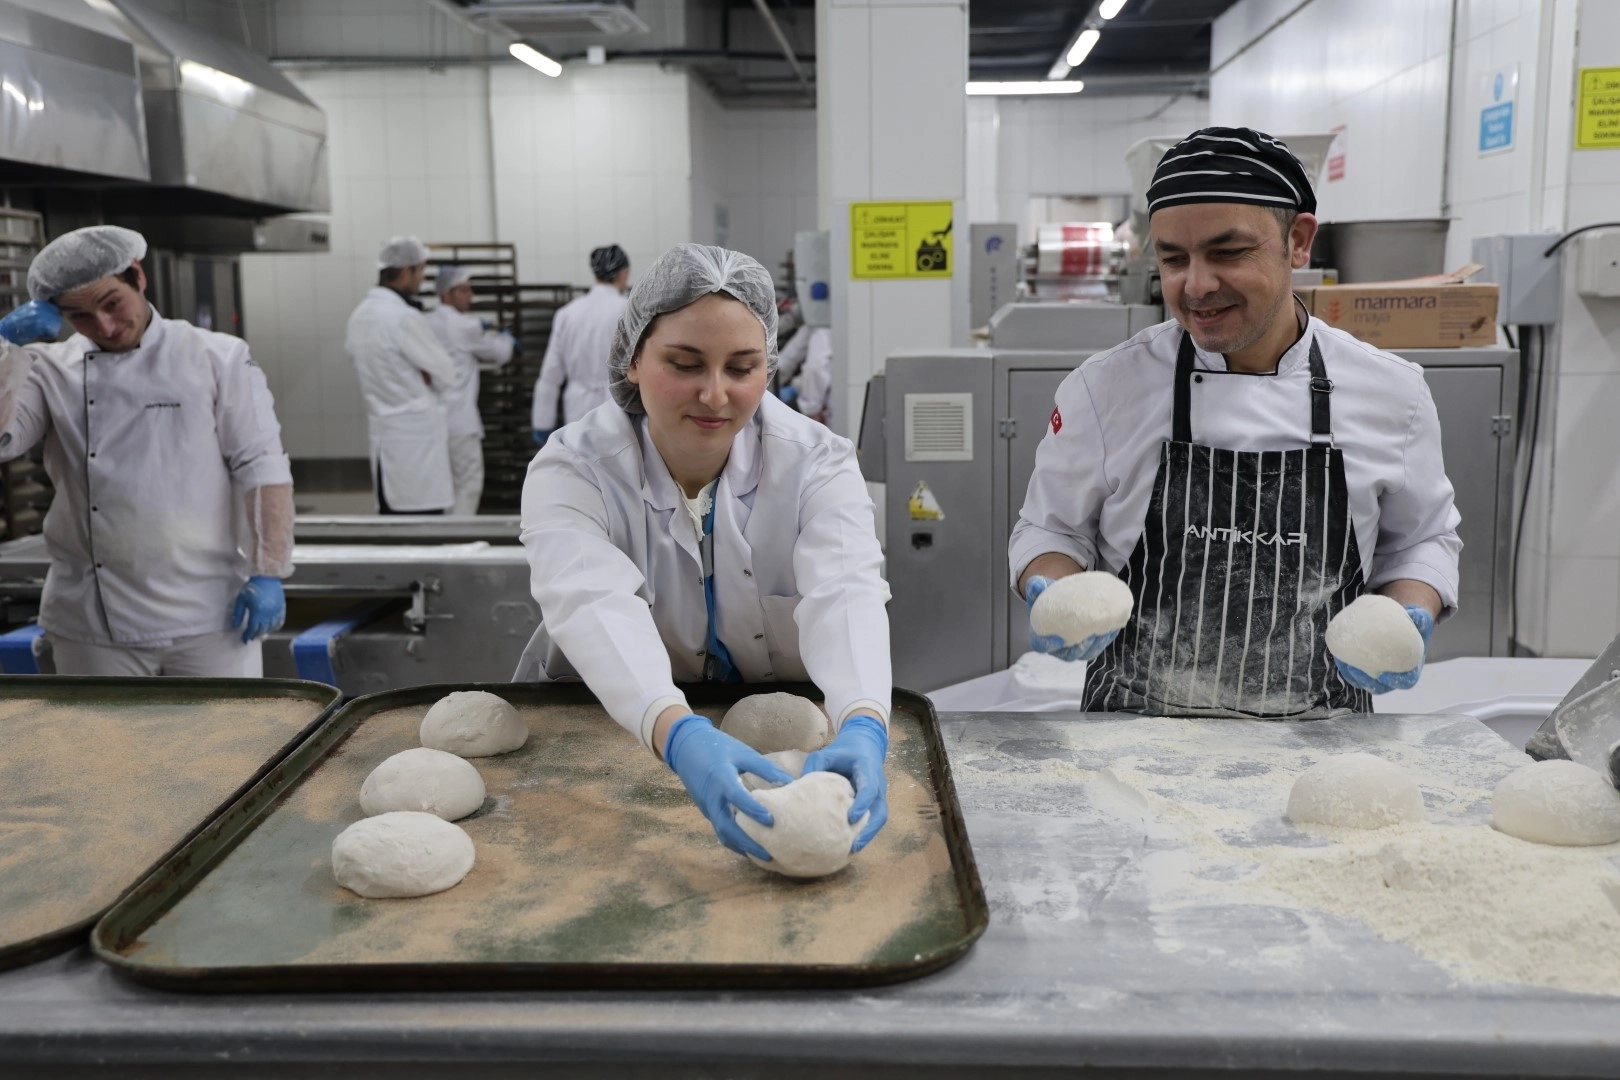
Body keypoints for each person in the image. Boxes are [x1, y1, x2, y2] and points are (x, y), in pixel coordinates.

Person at [1010, 127, 1462, 718]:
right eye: (1174, 259)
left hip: (1324, 738)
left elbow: (1422, 539)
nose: (1196, 285)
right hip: (1133, 738)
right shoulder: (1106, 388)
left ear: (1298, 241)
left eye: (1227, 253)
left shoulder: (1391, 392)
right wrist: (1053, 587)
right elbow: (1050, 530)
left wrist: (1409, 612)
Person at [516, 244, 892, 863]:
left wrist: (863, 721)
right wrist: (678, 733)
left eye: (742, 368)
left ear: (769, 366)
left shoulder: (817, 462)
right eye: (685, 364)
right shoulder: (575, 467)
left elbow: (846, 590)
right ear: (633, 359)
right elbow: (590, 601)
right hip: (603, 725)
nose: (715, 395)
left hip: (777, 736)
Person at [0, 226, 292, 676]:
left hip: (208, 613)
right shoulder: (46, 368)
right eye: (80, 316)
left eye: (112, 303)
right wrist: (4, 349)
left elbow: (261, 466)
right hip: (90, 621)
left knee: (229, 727)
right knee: (102, 728)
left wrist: (268, 570)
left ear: (137, 275)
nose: (105, 326)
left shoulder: (217, 357)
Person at [346, 236, 458, 515]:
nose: (423, 279)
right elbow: (446, 373)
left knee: (393, 524)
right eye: (421, 271)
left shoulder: (359, 316)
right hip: (418, 445)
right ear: (406, 271)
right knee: (423, 525)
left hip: (385, 440)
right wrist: (425, 375)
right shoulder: (402, 317)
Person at [424, 265, 516, 515]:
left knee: (442, 486)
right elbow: (499, 353)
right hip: (460, 420)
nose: (470, 296)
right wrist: (506, 339)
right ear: (446, 294)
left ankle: (443, 531)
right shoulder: (464, 326)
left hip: (431, 420)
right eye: (463, 290)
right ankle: (457, 534)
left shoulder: (425, 322)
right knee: (468, 481)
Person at [531, 244, 630, 445]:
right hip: (617, 406)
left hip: (577, 407)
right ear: (622, 274)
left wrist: (542, 421)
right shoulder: (627, 310)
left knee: (580, 460)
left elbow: (550, 374)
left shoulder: (567, 313)